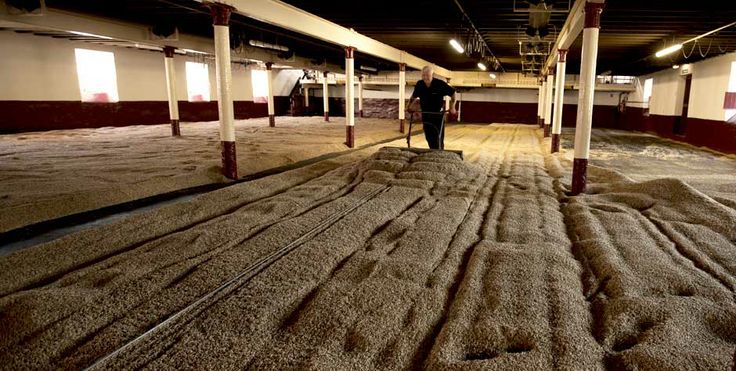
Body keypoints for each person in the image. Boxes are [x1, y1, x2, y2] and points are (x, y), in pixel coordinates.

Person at [407, 66, 457, 150]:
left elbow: (453, 93)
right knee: (429, 136)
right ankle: (433, 150)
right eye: (423, 75)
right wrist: (408, 106)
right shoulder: (420, 84)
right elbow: (413, 96)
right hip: (426, 114)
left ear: (432, 75)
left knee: (438, 137)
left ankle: (439, 152)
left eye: (427, 75)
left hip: (437, 115)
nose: (425, 77)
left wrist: (452, 107)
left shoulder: (439, 84)